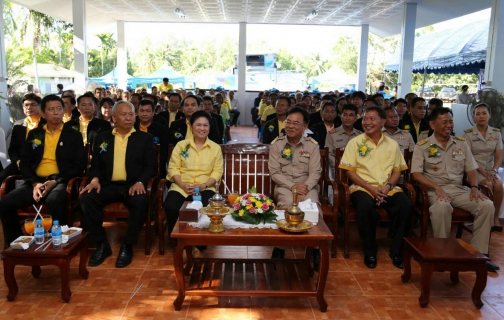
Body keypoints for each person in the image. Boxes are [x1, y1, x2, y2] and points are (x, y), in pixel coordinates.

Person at [411, 107, 499, 272]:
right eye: (444, 122)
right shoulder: (422, 146)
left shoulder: (461, 143)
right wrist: (436, 187)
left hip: (459, 189)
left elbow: (471, 169)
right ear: (432, 124)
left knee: (487, 205)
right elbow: (416, 173)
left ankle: (477, 256)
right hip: (434, 190)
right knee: (441, 207)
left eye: (450, 122)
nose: (448, 125)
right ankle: (442, 254)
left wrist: (474, 187)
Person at [80, 100, 157, 268]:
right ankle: (101, 244)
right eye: (124, 114)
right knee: (86, 198)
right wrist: (94, 180)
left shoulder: (144, 138)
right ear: (114, 117)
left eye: (131, 114)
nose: (128, 118)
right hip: (108, 185)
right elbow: (96, 165)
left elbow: (150, 166)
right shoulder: (103, 138)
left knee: (141, 201)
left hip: (132, 185)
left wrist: (140, 182)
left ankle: (127, 245)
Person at [0, 95, 85, 244]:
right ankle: (16, 242)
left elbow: (79, 166)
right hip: (36, 182)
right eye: (51, 109)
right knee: (6, 202)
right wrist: (34, 183)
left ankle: (61, 240)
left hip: (60, 181)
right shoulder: (35, 134)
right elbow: (25, 163)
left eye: (59, 108)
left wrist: (54, 181)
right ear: (43, 113)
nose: (56, 112)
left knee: (55, 200)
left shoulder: (73, 135)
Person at [338, 106, 412, 269]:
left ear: (382, 122)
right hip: (362, 187)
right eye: (365, 119)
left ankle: (397, 250)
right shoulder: (355, 143)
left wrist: (387, 187)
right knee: (365, 207)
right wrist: (370, 189)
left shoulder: (392, 145)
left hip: (388, 188)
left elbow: (397, 171)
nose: (367, 122)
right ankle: (370, 251)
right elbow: (349, 171)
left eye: (372, 119)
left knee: (405, 206)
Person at [163, 110, 223, 235]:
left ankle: (201, 243)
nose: (202, 128)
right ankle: (179, 240)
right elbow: (173, 168)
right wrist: (182, 184)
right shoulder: (181, 145)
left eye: (205, 125)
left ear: (210, 128)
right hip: (181, 186)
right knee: (171, 206)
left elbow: (217, 172)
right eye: (198, 125)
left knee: (207, 208)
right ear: (191, 126)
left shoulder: (215, 148)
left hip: (205, 187)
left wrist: (204, 185)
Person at [268, 106, 321, 208]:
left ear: (305, 126)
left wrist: (304, 189)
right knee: (288, 203)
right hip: (285, 186)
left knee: (311, 205)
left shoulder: (312, 146)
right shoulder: (277, 145)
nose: (291, 126)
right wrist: (293, 186)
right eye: (288, 122)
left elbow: (315, 172)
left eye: (296, 123)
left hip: (307, 186)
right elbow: (274, 172)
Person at [463, 103, 503, 232]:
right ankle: (484, 218)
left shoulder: (496, 133)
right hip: (474, 171)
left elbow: (498, 155)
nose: (481, 116)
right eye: (478, 114)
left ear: (490, 115)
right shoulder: (468, 134)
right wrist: (485, 173)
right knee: (488, 184)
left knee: (499, 185)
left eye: (484, 113)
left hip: (491, 170)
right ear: (474, 117)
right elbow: (469, 158)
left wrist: (494, 170)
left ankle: (495, 217)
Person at [0, 94, 46, 184]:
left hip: (40, 162)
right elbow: (13, 148)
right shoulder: (18, 125)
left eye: (33, 104)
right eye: (26, 105)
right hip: (21, 163)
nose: (29, 107)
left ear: (40, 106)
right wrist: (17, 161)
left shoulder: (46, 124)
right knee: (2, 177)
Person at [134, 99, 169, 178]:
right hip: (134, 166)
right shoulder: (132, 127)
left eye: (148, 111)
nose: (144, 114)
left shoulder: (161, 129)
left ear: (153, 113)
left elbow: (164, 152)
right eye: (142, 111)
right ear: (138, 112)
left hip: (155, 166)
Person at [326, 104, 362, 173]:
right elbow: (329, 154)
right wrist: (341, 167)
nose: (347, 118)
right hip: (338, 170)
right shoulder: (332, 134)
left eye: (351, 115)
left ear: (356, 118)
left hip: (357, 171)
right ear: (341, 117)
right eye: (345, 115)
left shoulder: (360, 135)